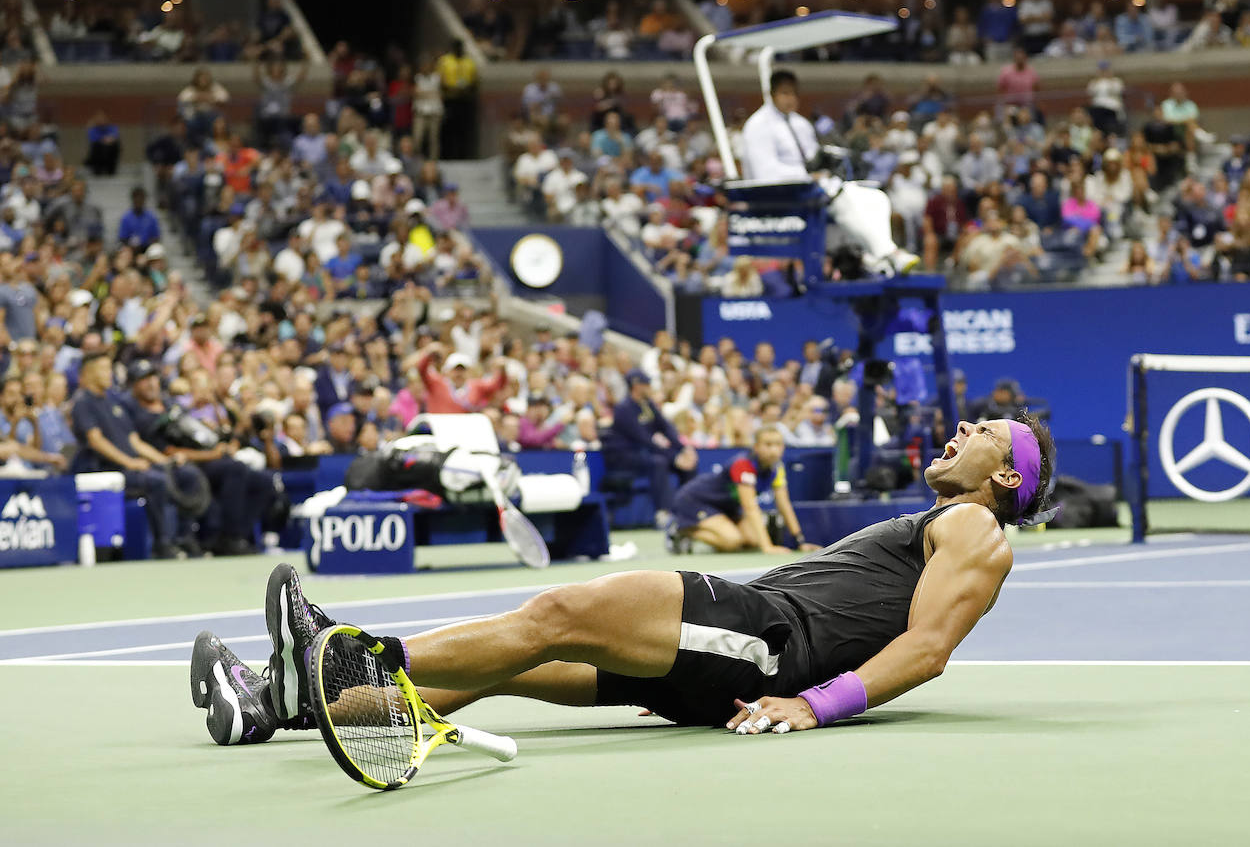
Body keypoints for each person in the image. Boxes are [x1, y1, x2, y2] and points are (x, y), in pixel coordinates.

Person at [190, 413, 1053, 744]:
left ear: (1006, 476)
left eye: (983, 431)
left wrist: (810, 702)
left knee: (560, 608)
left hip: (765, 639)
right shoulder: (948, 521)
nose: (962, 428)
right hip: (736, 654)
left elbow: (930, 646)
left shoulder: (976, 525)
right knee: (508, 667)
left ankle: (337, 659)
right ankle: (278, 704)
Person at [740, 70, 919, 277]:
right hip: (779, 197)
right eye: (784, 93)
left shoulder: (801, 124)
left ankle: (881, 255)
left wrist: (827, 166)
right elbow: (765, 174)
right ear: (771, 94)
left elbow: (813, 160)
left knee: (876, 197)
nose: (791, 99)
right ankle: (888, 255)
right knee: (843, 200)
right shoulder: (757, 126)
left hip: (811, 189)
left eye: (794, 94)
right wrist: (808, 176)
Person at [125, 358, 274, 557]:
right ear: (133, 385)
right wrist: (211, 454)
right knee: (235, 469)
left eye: (153, 377)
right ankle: (230, 537)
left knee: (263, 481)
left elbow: (199, 433)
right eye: (144, 379)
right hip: (187, 464)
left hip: (209, 455)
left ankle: (239, 535)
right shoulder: (138, 414)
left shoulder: (170, 404)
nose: (151, 383)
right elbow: (170, 452)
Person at [70, 353, 198, 559]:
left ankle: (184, 538)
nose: (109, 373)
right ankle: (163, 544)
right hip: (105, 470)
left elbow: (135, 442)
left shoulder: (113, 401)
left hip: (128, 468)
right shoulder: (83, 402)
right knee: (157, 481)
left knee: (183, 474)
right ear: (89, 373)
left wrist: (166, 461)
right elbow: (96, 440)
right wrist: (130, 462)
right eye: (103, 369)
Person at [665, 426, 809, 555]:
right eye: (768, 444)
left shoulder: (777, 468)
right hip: (695, 501)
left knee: (751, 540)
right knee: (732, 540)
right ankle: (680, 530)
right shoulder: (743, 464)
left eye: (778, 444)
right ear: (756, 447)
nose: (774, 450)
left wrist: (800, 541)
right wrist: (767, 547)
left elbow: (784, 505)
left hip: (726, 507)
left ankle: (712, 535)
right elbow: (750, 507)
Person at [601, 368, 697, 529]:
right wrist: (674, 457)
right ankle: (663, 513)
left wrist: (684, 449)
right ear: (636, 385)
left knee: (689, 465)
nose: (649, 387)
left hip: (645, 453)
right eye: (646, 383)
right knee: (659, 462)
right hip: (624, 457)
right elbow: (643, 439)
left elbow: (665, 428)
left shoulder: (648, 405)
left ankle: (687, 509)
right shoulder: (623, 409)